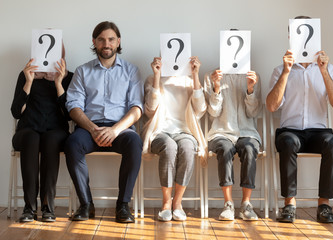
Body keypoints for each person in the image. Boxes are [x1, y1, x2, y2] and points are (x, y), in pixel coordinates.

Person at [266, 16, 333, 223]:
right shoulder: (279, 70)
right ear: (291, 37)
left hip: (319, 132)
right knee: (289, 142)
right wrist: (285, 72)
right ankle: (289, 204)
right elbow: (272, 106)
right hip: (290, 131)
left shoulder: (329, 70)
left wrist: (324, 71)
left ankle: (324, 204)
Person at [64, 21, 143, 223]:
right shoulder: (82, 71)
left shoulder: (131, 71)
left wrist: (114, 130)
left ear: (118, 42)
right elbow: (73, 106)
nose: (106, 44)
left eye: (110, 39)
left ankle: (123, 206)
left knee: (135, 142)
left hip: (120, 128)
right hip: (90, 127)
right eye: (101, 39)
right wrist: (92, 129)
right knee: (72, 143)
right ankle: (86, 204)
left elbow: (136, 109)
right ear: (94, 42)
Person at [141, 56, 207, 221]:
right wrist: (157, 76)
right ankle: (166, 202)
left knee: (187, 147)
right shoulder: (151, 79)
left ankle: (177, 202)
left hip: (185, 131)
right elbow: (149, 110)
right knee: (169, 147)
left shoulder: (189, 80)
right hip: (159, 132)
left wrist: (195, 75)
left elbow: (200, 109)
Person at [11, 48, 73, 222]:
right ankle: (29, 207)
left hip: (56, 132)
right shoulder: (25, 75)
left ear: (62, 55)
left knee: (50, 139)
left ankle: (48, 206)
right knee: (32, 138)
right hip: (27, 132)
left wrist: (59, 83)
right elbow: (16, 112)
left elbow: (70, 115)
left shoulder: (69, 77)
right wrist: (29, 81)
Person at [204, 69, 262, 221]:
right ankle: (228, 203)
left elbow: (253, 112)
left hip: (247, 132)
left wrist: (250, 90)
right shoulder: (212, 76)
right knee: (225, 148)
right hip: (221, 132)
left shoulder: (253, 76)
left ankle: (246, 204)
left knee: (250, 148)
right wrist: (216, 88)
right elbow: (213, 113)